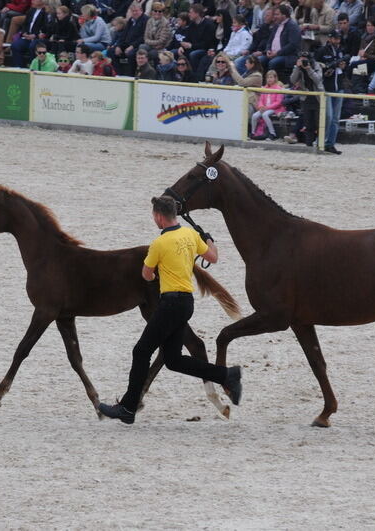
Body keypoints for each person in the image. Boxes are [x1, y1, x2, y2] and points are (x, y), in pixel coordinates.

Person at [97, 196, 242, 425]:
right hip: (186, 304)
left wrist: (155, 274)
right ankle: (227, 375)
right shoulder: (190, 235)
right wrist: (209, 239)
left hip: (170, 304)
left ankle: (128, 407)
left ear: (158, 216)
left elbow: (146, 275)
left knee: (141, 351)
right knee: (173, 360)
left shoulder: (159, 244)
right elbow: (213, 257)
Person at [315, 29, 346, 153]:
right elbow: (316, 66)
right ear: (330, 38)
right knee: (328, 116)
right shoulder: (322, 51)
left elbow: (342, 69)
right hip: (327, 87)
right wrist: (326, 69)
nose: (337, 41)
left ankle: (330, 143)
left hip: (339, 86)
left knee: (335, 118)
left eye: (338, 38)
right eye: (335, 38)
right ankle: (321, 141)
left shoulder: (340, 51)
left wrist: (342, 66)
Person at [290, 50, 323, 146]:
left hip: (318, 97)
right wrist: (297, 67)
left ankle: (320, 142)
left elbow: (318, 80)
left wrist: (309, 69)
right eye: (301, 59)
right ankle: (308, 143)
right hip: (305, 97)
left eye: (305, 59)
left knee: (318, 122)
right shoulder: (298, 67)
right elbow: (292, 80)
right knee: (308, 123)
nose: (303, 61)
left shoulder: (316, 65)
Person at [110, 2, 148, 75]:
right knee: (111, 51)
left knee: (131, 54)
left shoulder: (145, 20)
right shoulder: (131, 20)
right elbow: (124, 35)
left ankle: (131, 75)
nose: (134, 13)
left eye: (136, 11)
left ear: (141, 10)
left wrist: (132, 46)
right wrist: (119, 46)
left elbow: (143, 37)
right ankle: (118, 74)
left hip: (138, 45)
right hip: (127, 44)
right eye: (132, 11)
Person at [261, 4, 300, 72]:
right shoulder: (276, 25)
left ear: (284, 16)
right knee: (259, 60)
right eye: (274, 14)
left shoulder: (292, 26)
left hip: (287, 56)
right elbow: (270, 41)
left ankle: (274, 82)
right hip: (273, 54)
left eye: (277, 14)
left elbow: (292, 45)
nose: (274, 17)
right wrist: (268, 50)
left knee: (273, 63)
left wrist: (277, 53)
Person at [250, 69, 286, 140]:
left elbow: (278, 102)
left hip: (275, 108)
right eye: (268, 77)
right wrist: (261, 106)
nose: (269, 79)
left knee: (265, 115)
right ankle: (253, 132)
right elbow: (261, 100)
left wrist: (267, 107)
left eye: (271, 77)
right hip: (265, 108)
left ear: (275, 78)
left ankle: (272, 133)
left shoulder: (278, 88)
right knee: (254, 115)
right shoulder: (264, 88)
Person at [9, 0, 46, 67]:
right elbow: (25, 24)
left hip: (37, 38)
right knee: (15, 46)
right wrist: (24, 33)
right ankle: (19, 67)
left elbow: (46, 28)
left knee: (32, 46)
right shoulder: (31, 10)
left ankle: (34, 66)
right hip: (27, 36)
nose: (32, 1)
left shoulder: (45, 12)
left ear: (41, 1)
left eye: (35, 0)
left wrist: (35, 35)